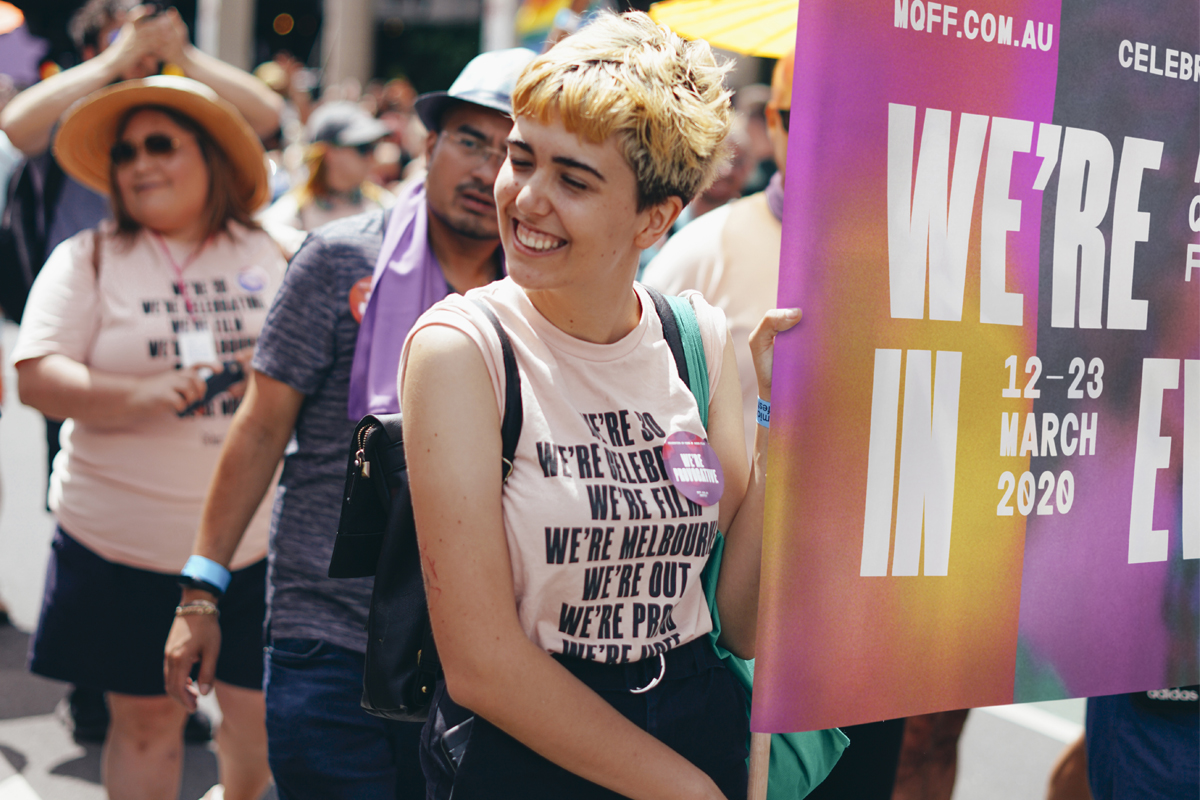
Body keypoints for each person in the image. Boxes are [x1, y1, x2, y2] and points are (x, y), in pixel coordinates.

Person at [399, 13, 800, 798]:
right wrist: (684, 789)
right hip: (532, 749)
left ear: (656, 217)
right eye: (522, 159)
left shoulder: (702, 342)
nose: (522, 198)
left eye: (574, 179)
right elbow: (480, 663)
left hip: (694, 718)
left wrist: (778, 429)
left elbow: (740, 622)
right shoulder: (462, 348)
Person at [162, 47, 536, 800]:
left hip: (480, 649)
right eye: (469, 140)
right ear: (428, 147)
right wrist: (201, 590)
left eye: (510, 153)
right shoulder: (337, 261)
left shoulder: (539, 295)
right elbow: (262, 429)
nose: (483, 169)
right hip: (325, 637)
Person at [644, 44, 915, 800]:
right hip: (729, 607)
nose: (839, 141)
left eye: (864, 125)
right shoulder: (700, 252)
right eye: (813, 120)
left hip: (867, 613)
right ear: (774, 125)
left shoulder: (922, 257)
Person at [10, 75, 285, 800]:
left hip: (252, 549)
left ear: (212, 157)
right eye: (126, 151)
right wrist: (134, 396)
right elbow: (36, 378)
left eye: (161, 143)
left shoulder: (272, 249)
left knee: (258, 724)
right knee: (142, 727)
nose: (140, 162)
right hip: (117, 548)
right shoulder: (87, 257)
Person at [260, 101, 394, 252]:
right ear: (329, 152)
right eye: (363, 148)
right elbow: (261, 228)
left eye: (374, 147)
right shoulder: (297, 210)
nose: (372, 157)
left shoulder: (383, 204)